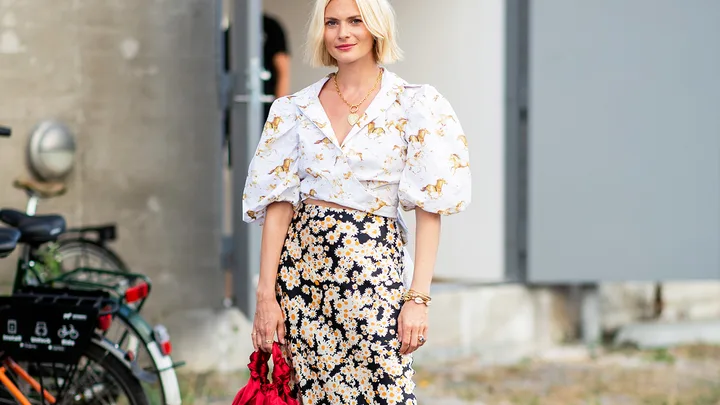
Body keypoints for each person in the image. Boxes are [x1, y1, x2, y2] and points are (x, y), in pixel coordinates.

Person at [242, 0, 471, 403]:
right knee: (310, 394)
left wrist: (417, 299)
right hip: (301, 278)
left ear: (376, 27)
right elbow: (279, 207)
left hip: (374, 276)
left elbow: (428, 208)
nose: (342, 33)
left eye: (354, 21)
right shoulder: (294, 110)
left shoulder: (413, 105)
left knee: (385, 392)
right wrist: (266, 296)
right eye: (332, 23)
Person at [223, 14, 291, 166]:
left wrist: (280, 111)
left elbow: (283, 70)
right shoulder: (232, 29)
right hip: (236, 107)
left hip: (266, 106)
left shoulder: (271, 26)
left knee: (267, 161)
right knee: (239, 160)